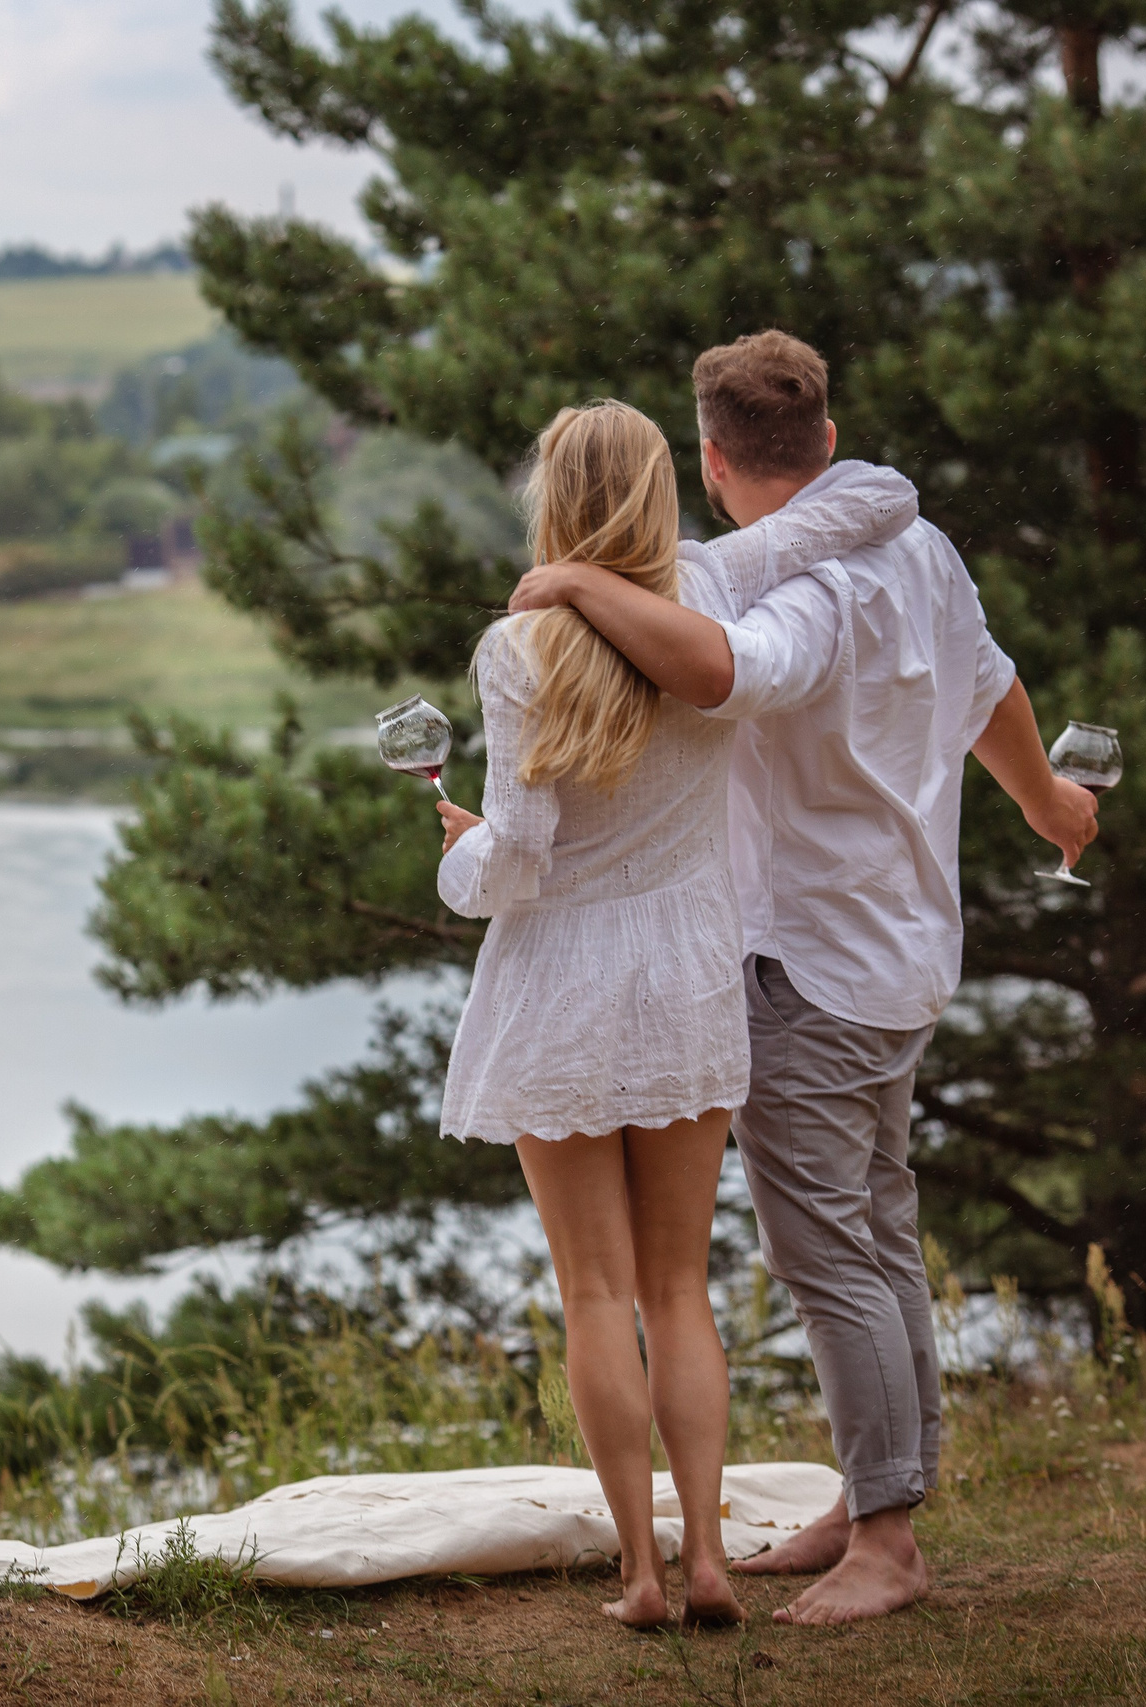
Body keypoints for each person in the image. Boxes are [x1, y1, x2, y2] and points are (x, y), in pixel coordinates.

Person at [508, 331, 1097, 1625]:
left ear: (714, 465)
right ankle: (876, 1487)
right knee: (880, 1228)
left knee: (829, 1248)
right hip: (905, 949)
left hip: (810, 967)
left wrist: (574, 585)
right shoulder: (923, 548)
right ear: (824, 441)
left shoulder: (794, 600)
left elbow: (728, 670)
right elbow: (992, 684)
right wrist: (1048, 800)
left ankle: (886, 1537)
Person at [432, 399, 917, 1628]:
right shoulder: (711, 587)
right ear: (664, 488)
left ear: (550, 503)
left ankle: (639, 1577)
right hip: (687, 979)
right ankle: (707, 1559)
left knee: (592, 1293)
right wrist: (608, 580)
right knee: (678, 1288)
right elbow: (882, 497)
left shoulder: (517, 650)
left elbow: (521, 858)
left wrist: (456, 855)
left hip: (559, 982)